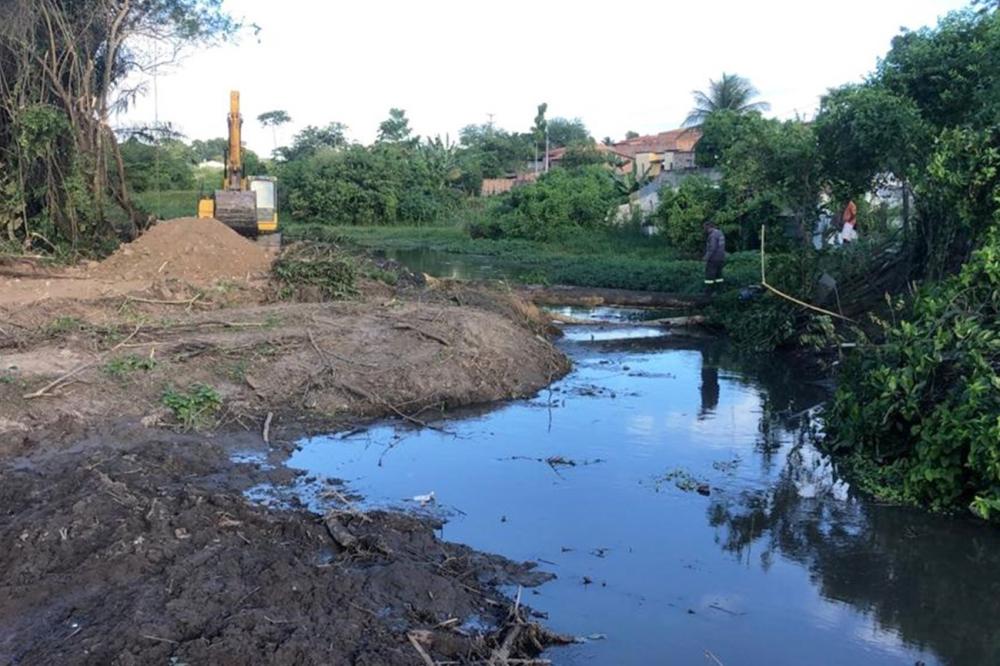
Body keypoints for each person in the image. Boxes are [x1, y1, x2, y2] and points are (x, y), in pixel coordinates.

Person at [703, 221, 726, 289]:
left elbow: (712, 248)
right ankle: (720, 291)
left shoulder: (712, 235)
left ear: (708, 227)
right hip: (721, 257)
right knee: (719, 276)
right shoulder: (720, 233)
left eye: (705, 228)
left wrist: (706, 257)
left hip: (713, 259)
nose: (705, 230)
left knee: (709, 277)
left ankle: (708, 292)